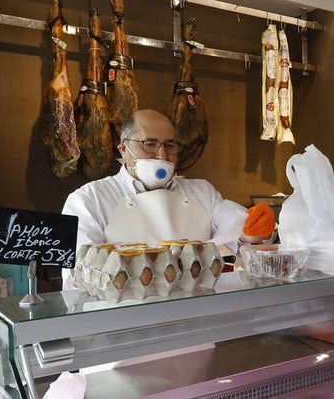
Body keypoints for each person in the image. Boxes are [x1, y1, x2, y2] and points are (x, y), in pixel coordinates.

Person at [61, 109, 260, 287]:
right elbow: (81, 271)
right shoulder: (89, 199)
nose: (162, 154)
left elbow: (229, 220)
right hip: (124, 316)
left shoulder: (201, 191)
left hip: (197, 310)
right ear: (123, 150)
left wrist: (249, 225)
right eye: (149, 144)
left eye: (170, 146)